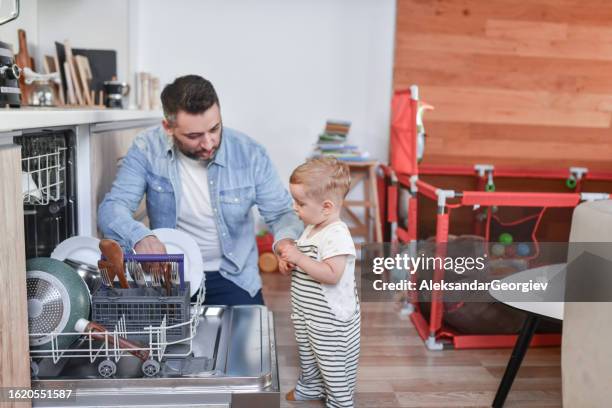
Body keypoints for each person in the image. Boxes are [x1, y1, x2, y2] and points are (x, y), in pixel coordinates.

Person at [98, 75, 302, 305]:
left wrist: (285, 240)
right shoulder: (146, 148)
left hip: (234, 276)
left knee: (249, 339)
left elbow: (281, 213)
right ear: (168, 127)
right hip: (170, 277)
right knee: (166, 341)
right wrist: (139, 237)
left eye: (214, 129)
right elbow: (112, 208)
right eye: (194, 136)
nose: (208, 143)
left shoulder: (251, 153)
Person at [279, 157, 361, 408]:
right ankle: (311, 386)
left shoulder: (336, 233)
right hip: (309, 313)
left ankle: (340, 402)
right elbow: (307, 264)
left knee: (332, 362)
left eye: (300, 202)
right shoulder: (313, 226)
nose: (294, 207)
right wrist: (289, 263)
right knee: (308, 354)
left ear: (326, 206)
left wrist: (300, 258)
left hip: (330, 320)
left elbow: (331, 274)